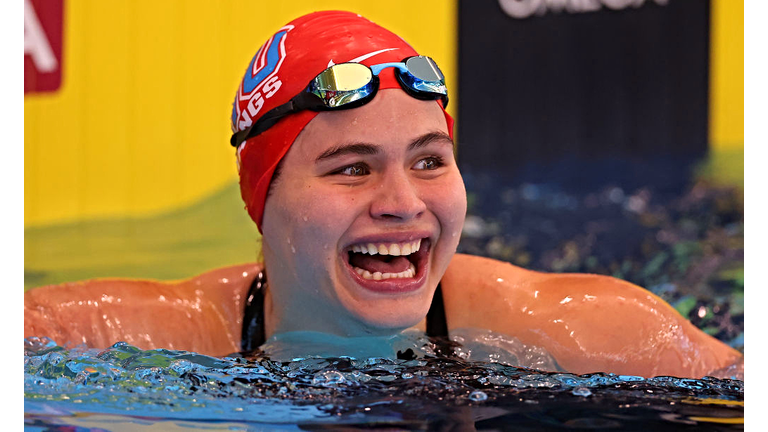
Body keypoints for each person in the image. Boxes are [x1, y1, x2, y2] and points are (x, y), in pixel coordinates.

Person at [24, 11, 742, 379]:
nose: (403, 202)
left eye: (429, 161)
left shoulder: (581, 331)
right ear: (262, 199)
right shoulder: (177, 336)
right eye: (351, 169)